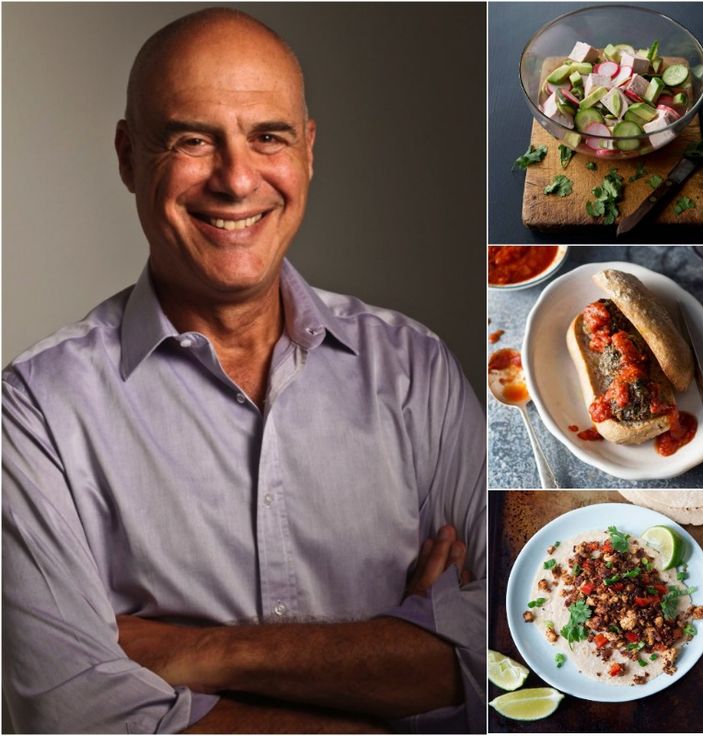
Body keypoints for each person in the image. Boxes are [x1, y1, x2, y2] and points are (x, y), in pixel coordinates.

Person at [2, 8, 486, 734]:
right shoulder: (37, 411)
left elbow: (512, 656)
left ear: (310, 151)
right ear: (129, 156)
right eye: (192, 139)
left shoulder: (414, 369)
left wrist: (194, 655)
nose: (235, 179)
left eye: (269, 137)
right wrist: (400, 667)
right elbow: (78, 719)